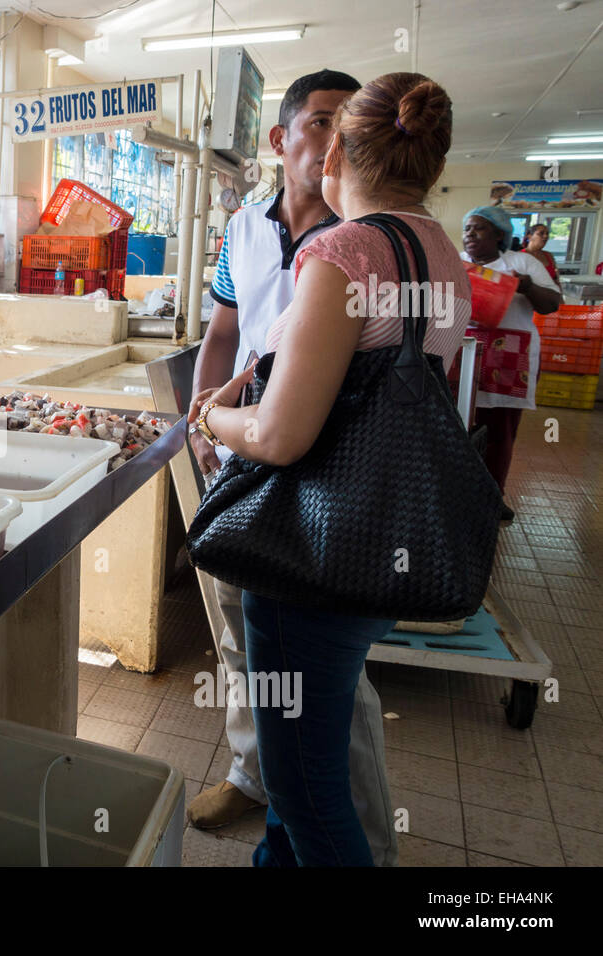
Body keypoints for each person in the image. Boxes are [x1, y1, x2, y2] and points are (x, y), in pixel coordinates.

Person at [188, 73, 471, 865]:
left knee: (310, 793)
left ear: (341, 148)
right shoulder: (442, 254)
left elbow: (280, 435)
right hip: (384, 529)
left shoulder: (344, 250)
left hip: (307, 543)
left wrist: (211, 417)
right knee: (309, 751)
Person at [460, 206, 561, 519]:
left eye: (479, 229)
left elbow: (552, 304)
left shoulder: (522, 263)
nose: (470, 235)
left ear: (500, 235)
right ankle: (455, 494)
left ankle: (492, 496)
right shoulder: (455, 263)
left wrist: (527, 286)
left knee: (499, 431)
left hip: (508, 356)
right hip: (462, 354)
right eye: (467, 229)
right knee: (456, 425)